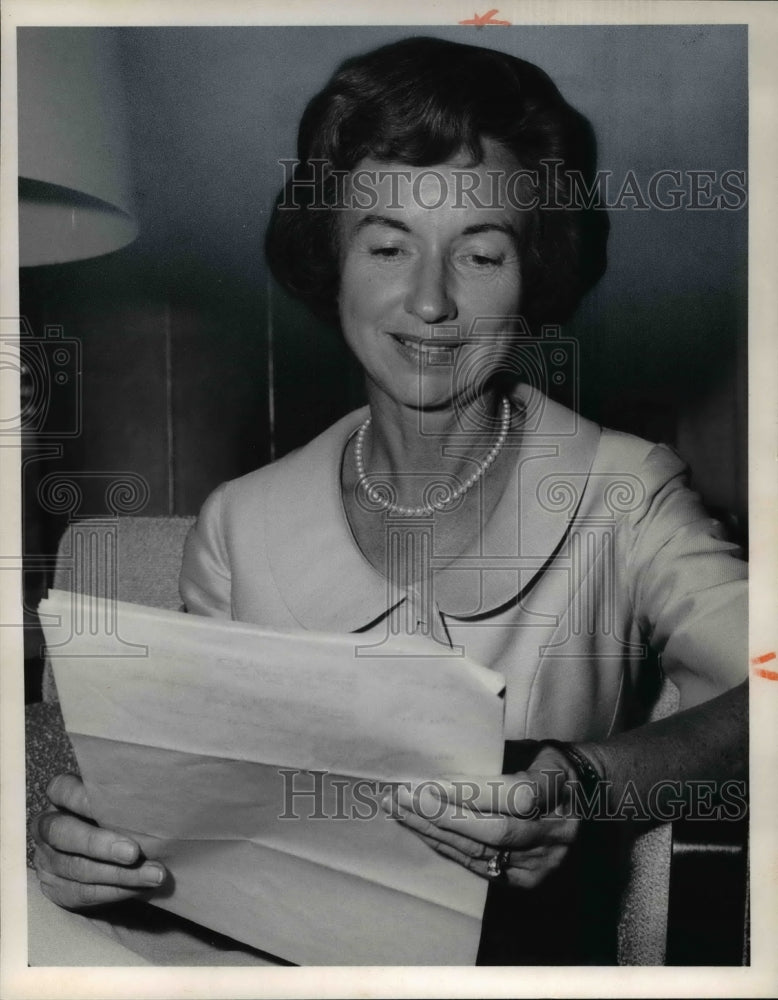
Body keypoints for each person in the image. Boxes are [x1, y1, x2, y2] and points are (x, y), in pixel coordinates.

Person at [32, 36, 747, 965]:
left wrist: (585, 786)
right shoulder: (239, 524)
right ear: (334, 264)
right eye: (387, 246)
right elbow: (195, 819)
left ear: (537, 276)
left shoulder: (623, 490)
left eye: (481, 255)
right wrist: (98, 854)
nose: (431, 302)